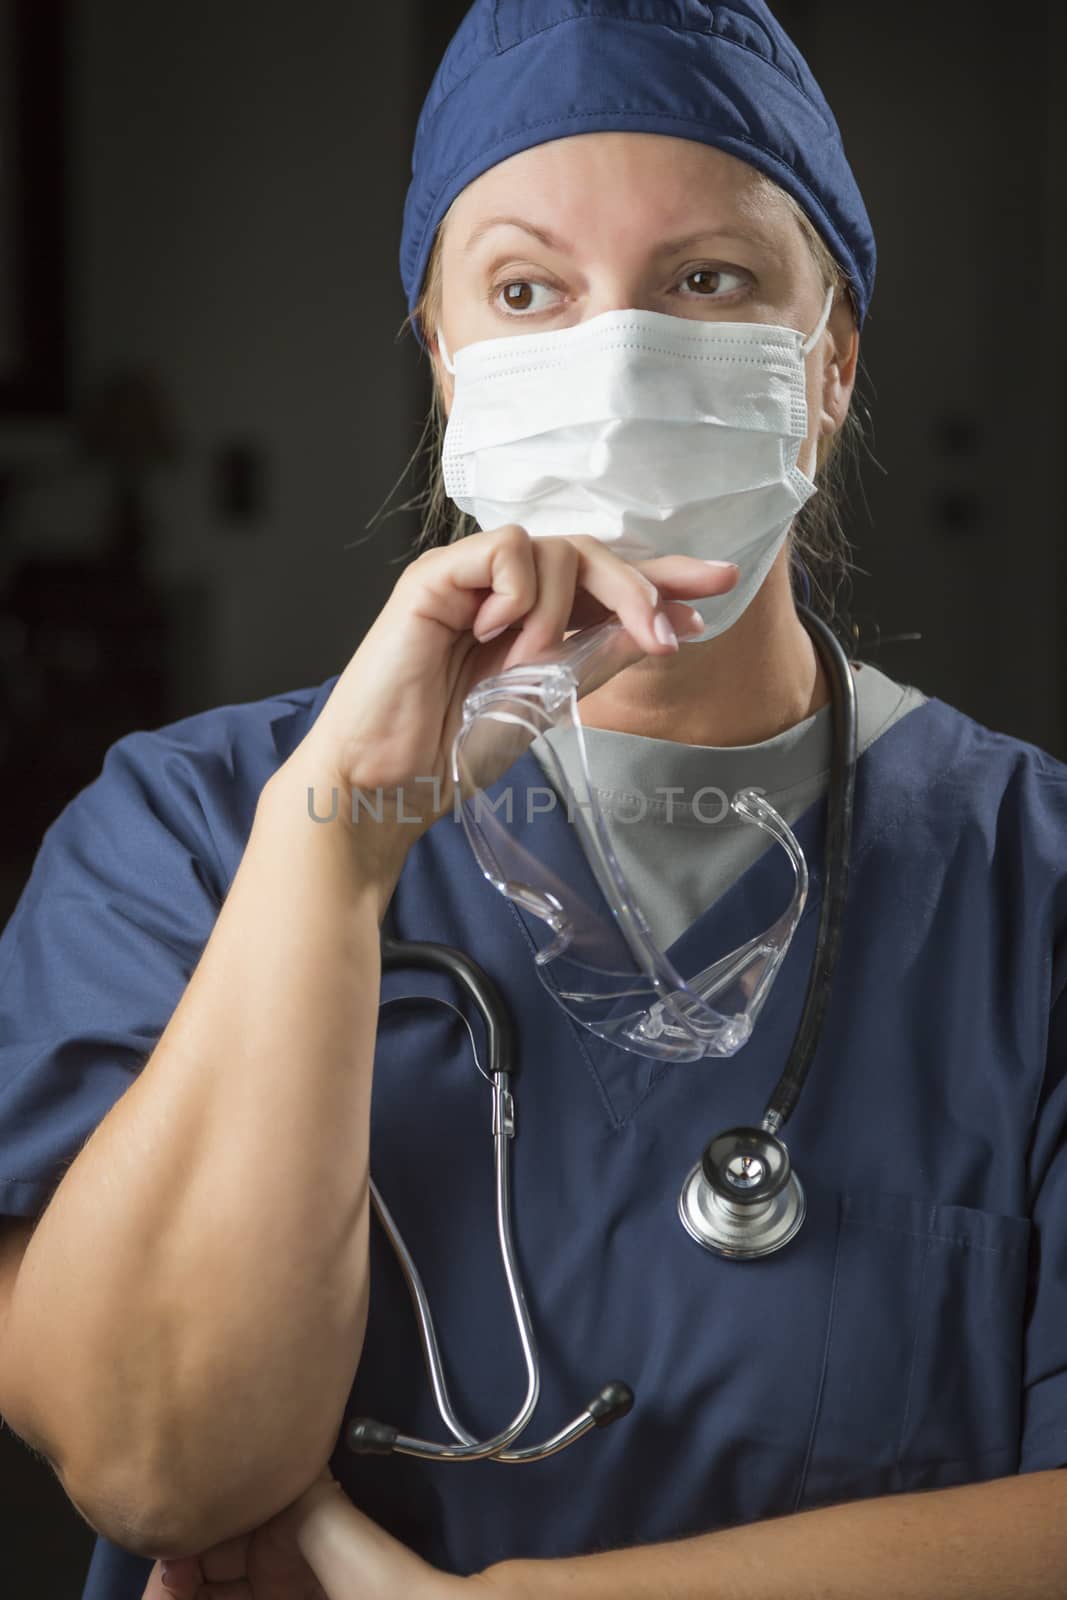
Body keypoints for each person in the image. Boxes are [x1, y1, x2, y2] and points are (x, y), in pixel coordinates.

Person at [0, 3, 1065, 1597]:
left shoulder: (1033, 890)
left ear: (828, 367)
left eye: (708, 282)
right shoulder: (184, 834)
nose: (618, 353)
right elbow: (158, 1464)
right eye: (526, 290)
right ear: (445, 359)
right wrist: (337, 851)